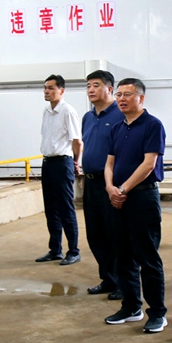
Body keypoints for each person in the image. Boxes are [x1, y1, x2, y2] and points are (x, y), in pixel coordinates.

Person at [103, 78, 168, 333]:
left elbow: (148, 164)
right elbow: (109, 163)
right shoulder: (117, 128)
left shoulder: (153, 125)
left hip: (142, 198)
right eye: (119, 94)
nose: (121, 99)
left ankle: (157, 313)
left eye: (127, 94)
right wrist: (110, 187)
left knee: (147, 257)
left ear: (141, 98)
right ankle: (131, 306)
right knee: (123, 255)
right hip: (118, 198)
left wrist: (122, 189)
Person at [81, 70, 135, 301]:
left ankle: (125, 284)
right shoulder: (87, 117)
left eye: (96, 85)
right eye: (88, 86)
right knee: (96, 235)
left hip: (112, 184)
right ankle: (108, 278)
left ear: (109, 89)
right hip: (90, 183)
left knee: (118, 236)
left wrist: (117, 186)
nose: (90, 90)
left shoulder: (120, 114)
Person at [35, 74, 81, 265]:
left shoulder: (68, 111)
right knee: (51, 209)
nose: (46, 91)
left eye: (51, 88)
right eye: (45, 88)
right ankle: (55, 250)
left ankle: (74, 251)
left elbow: (77, 141)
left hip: (63, 163)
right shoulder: (47, 111)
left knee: (65, 208)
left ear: (61, 90)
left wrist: (75, 162)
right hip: (48, 163)